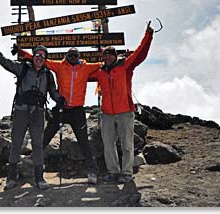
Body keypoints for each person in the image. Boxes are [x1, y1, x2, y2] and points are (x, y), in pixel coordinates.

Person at [0, 26, 65, 190]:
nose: (39, 58)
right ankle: (11, 178)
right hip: (21, 111)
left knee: (38, 145)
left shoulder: (48, 74)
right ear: (33, 56)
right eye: (37, 55)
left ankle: (39, 179)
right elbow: (1, 60)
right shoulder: (22, 67)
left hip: (38, 113)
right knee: (16, 144)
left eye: (42, 56)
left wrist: (59, 100)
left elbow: (52, 92)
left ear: (45, 59)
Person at [18, 47, 101, 184]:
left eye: (75, 55)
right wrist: (22, 53)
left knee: (83, 141)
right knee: (46, 136)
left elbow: (104, 64)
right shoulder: (59, 66)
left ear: (79, 56)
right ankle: (33, 161)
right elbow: (42, 60)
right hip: (61, 108)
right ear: (66, 56)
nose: (73, 57)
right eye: (70, 55)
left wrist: (123, 57)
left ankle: (92, 171)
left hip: (77, 110)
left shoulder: (86, 67)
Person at [89, 21, 154, 184]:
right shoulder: (100, 72)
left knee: (126, 144)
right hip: (107, 114)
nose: (107, 56)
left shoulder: (125, 65)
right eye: (105, 54)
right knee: (108, 145)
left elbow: (140, 53)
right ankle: (113, 171)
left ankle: (126, 172)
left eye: (110, 54)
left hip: (125, 111)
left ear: (115, 55)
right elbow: (79, 75)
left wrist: (148, 35)